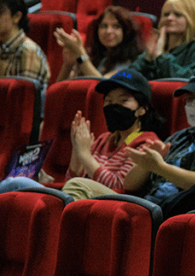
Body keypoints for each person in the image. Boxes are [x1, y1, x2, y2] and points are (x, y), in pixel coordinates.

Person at [78, 66, 195, 211]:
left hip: (183, 210)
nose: (194, 105)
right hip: (148, 204)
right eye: (190, 99)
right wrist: (145, 165)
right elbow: (129, 185)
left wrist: (161, 168)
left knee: (79, 187)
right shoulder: (181, 137)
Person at [54, 70, 163, 198]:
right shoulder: (103, 139)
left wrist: (84, 154)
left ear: (142, 109)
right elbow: (70, 182)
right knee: (24, 183)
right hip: (86, 200)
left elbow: (118, 186)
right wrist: (77, 149)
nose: (114, 107)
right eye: (109, 101)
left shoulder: (147, 142)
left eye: (123, 101)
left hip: (118, 206)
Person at [132, 0, 195, 79]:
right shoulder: (156, 45)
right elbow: (128, 76)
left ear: (192, 19)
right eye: (166, 14)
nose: (169, 18)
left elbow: (193, 79)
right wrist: (147, 60)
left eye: (178, 15)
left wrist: (161, 57)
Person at [54, 6, 143, 81]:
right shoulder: (94, 57)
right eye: (104, 26)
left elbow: (102, 85)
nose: (108, 31)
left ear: (126, 32)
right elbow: (57, 93)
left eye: (116, 26)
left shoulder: (134, 63)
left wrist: (80, 54)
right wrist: (68, 65)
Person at [0, 0, 48, 89]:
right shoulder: (2, 46)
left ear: (17, 16)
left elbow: (25, 99)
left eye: (0, 12)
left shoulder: (28, 51)